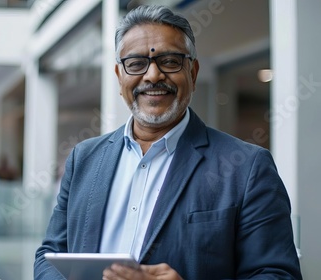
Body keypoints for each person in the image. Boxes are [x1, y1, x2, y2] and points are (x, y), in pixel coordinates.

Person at [34, 4, 302, 280]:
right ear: (119, 76)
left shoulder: (247, 168)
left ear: (193, 73)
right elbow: (49, 255)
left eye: (170, 61)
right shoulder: (84, 158)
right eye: (136, 63)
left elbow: (277, 275)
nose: (153, 76)